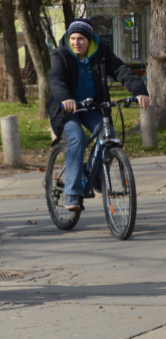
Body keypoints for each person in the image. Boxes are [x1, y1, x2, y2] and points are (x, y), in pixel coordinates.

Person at [48, 18, 149, 211]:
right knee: (77, 137)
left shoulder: (101, 53)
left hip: (92, 106)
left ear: (90, 39)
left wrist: (139, 91)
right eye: (73, 38)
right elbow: (56, 78)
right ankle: (72, 193)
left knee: (107, 133)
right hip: (66, 108)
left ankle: (92, 174)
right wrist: (65, 98)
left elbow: (121, 70)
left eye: (81, 39)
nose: (76, 43)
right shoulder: (60, 54)